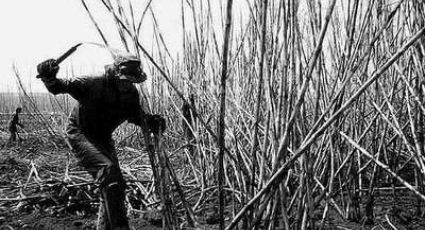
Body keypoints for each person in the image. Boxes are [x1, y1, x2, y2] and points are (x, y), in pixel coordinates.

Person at [37, 52, 165, 230]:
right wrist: (47, 76)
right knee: (109, 174)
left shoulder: (130, 94)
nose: (126, 84)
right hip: (80, 133)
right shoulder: (92, 83)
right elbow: (58, 87)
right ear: (114, 73)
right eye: (124, 79)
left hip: (103, 137)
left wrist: (151, 121)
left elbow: (136, 116)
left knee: (116, 186)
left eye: (131, 81)